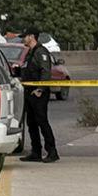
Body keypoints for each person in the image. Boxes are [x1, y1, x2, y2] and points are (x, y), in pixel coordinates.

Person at [18, 31, 59, 163]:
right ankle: (36, 152)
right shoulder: (30, 52)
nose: (23, 39)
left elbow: (46, 72)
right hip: (29, 92)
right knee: (31, 123)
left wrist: (40, 89)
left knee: (42, 122)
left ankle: (52, 152)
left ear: (32, 37)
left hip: (38, 93)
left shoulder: (41, 52)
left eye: (25, 36)